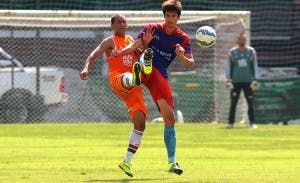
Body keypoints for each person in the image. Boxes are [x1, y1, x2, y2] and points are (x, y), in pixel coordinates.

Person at [113, 0, 195, 175]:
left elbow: (191, 64)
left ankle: (170, 163)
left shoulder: (182, 38)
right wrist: (120, 52)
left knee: (170, 118)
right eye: (167, 15)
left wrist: (181, 56)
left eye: (173, 16)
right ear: (164, 16)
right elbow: (135, 45)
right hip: (144, 67)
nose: (170, 19)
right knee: (145, 54)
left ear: (178, 18)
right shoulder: (152, 28)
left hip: (158, 74)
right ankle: (141, 69)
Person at [79, 14, 153, 177]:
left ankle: (126, 162)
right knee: (129, 78)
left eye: (124, 21)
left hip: (134, 87)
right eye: (119, 22)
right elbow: (93, 55)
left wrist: (147, 45)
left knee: (140, 124)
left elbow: (142, 54)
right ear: (112, 25)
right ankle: (135, 76)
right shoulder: (109, 42)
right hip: (118, 78)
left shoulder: (131, 40)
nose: (122, 24)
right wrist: (86, 68)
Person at [226, 33, 259, 129]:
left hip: (248, 82)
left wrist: (256, 79)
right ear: (237, 40)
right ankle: (230, 123)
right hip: (235, 82)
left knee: (250, 103)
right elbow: (229, 67)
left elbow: (255, 66)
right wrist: (228, 79)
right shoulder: (232, 52)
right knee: (233, 103)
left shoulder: (251, 51)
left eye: (243, 39)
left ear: (245, 40)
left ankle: (252, 123)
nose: (242, 41)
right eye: (240, 39)